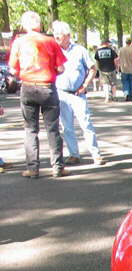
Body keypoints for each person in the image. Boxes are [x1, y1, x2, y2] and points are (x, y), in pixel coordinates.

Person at [8, 10, 67, 178]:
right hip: (47, 87)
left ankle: (33, 169)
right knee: (53, 128)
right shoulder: (50, 42)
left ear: (25, 25)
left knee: (30, 129)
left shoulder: (19, 42)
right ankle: (57, 167)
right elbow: (61, 68)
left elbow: (13, 69)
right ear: (39, 25)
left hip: (27, 88)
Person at [52, 21, 105, 166]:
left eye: (59, 34)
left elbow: (93, 68)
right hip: (61, 93)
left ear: (68, 35)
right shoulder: (54, 50)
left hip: (78, 93)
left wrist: (85, 85)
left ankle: (96, 154)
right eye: (55, 33)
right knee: (66, 126)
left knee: (86, 124)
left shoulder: (80, 50)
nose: (56, 36)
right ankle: (73, 154)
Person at [118, 37, 132, 101]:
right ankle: (131, 96)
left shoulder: (121, 49)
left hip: (123, 69)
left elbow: (119, 59)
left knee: (125, 82)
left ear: (125, 42)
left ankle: (126, 94)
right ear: (130, 43)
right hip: (131, 69)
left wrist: (119, 67)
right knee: (131, 82)